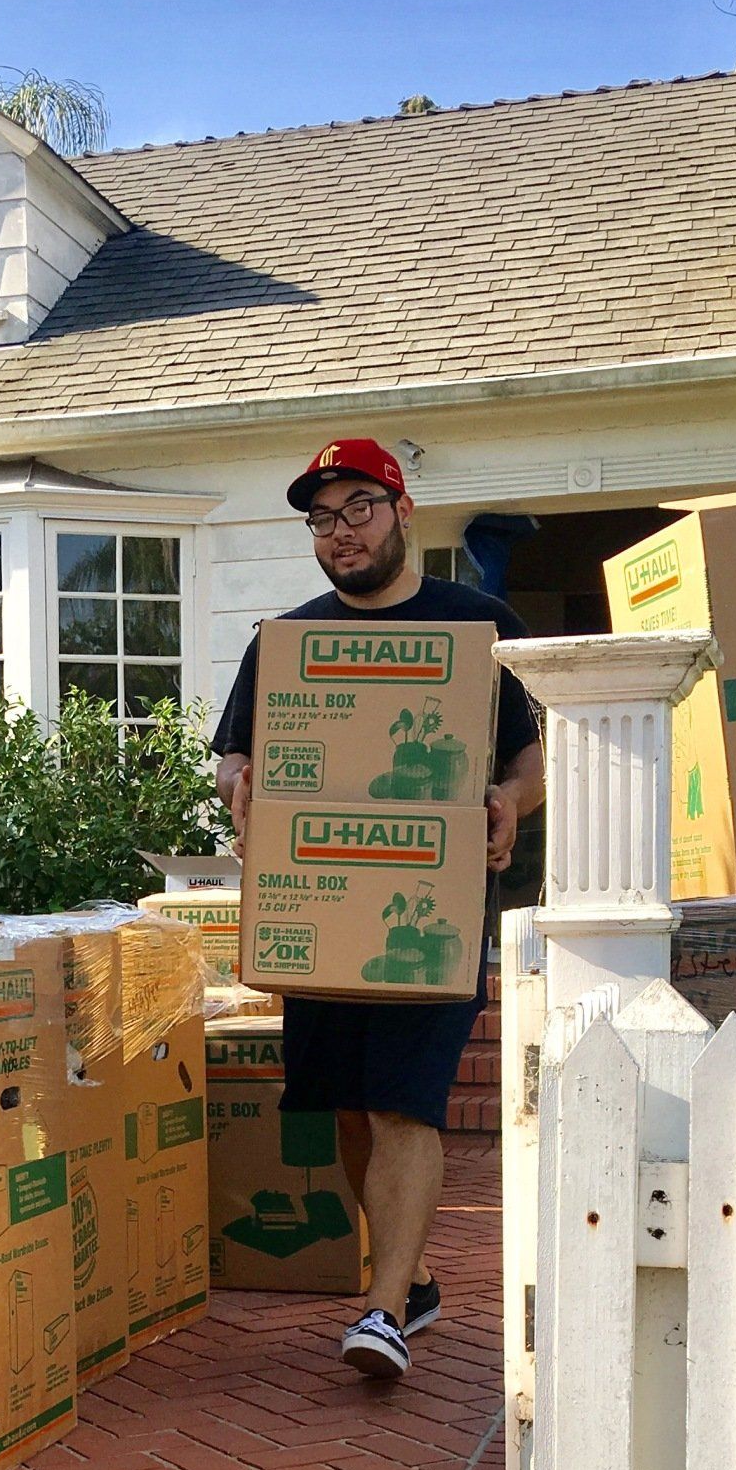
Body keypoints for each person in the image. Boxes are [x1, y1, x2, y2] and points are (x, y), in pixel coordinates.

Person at [213, 436, 545, 1382]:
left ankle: (386, 1311)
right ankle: (420, 1279)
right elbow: (237, 754)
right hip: (321, 909)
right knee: (349, 1108)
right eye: (322, 517)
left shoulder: (475, 626)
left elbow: (528, 755)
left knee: (405, 1105)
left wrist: (510, 802)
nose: (339, 530)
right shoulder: (288, 639)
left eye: (358, 506)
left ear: (402, 511)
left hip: (428, 909)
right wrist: (239, 778)